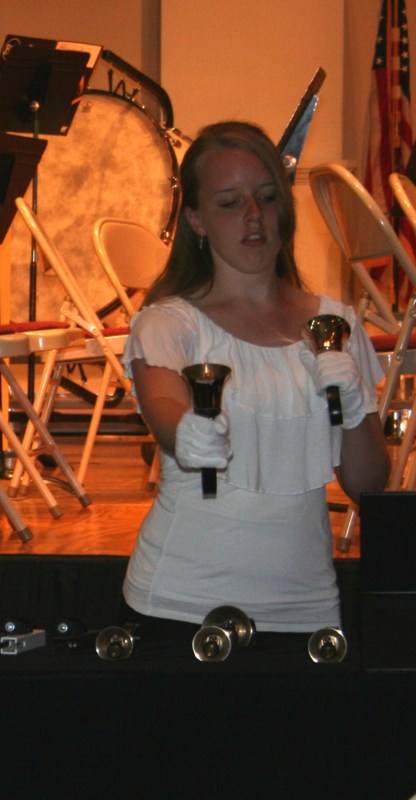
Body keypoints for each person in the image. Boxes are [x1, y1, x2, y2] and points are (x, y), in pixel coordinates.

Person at [121, 121, 390, 634]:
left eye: (267, 198)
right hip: (181, 606)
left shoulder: (334, 325)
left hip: (307, 608)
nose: (253, 216)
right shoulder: (169, 322)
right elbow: (163, 406)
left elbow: (368, 484)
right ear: (196, 219)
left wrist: (355, 405)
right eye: (229, 202)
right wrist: (186, 431)